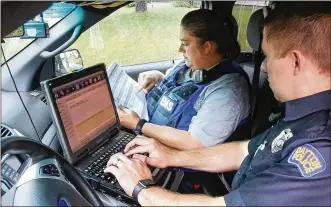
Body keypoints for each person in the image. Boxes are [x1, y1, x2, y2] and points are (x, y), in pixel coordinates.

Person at [105, 2, 331, 206]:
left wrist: (141, 188)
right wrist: (169, 155)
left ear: (295, 61)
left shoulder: (319, 150)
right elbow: (242, 150)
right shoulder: (301, 116)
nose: (263, 67)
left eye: (268, 57)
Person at [118, 9, 250, 150]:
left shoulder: (228, 92)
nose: (180, 49)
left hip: (172, 163)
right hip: (144, 139)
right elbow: (183, 92)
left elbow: (195, 143)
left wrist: (138, 124)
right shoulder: (189, 65)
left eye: (185, 43)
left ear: (206, 47)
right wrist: (158, 77)